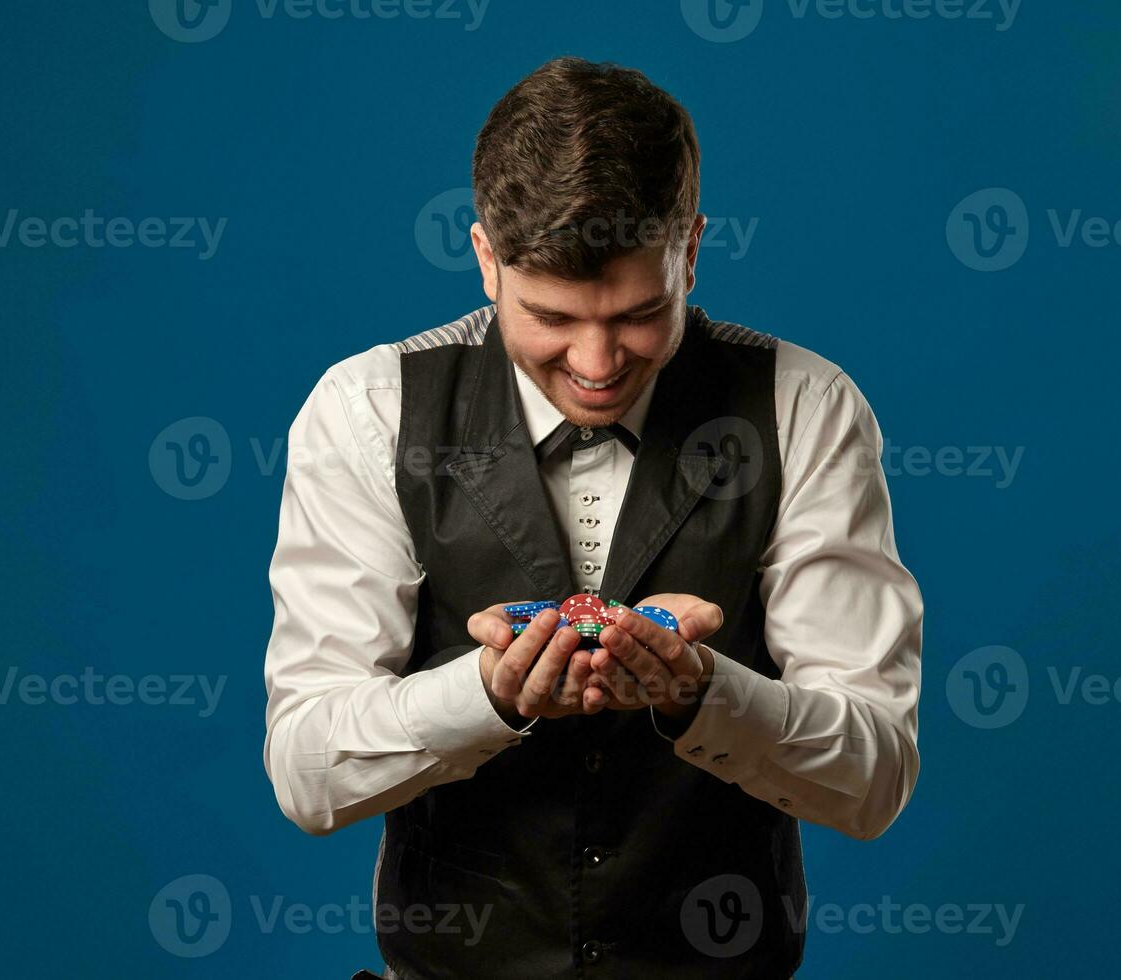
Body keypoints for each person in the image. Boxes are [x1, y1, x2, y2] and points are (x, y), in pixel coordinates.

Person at [264, 56, 923, 980]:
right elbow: (306, 772)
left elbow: (873, 778)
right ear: (487, 258)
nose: (597, 361)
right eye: (550, 316)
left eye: (641, 312)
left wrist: (702, 694)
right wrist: (483, 698)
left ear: (691, 249)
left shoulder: (804, 407)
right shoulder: (366, 411)